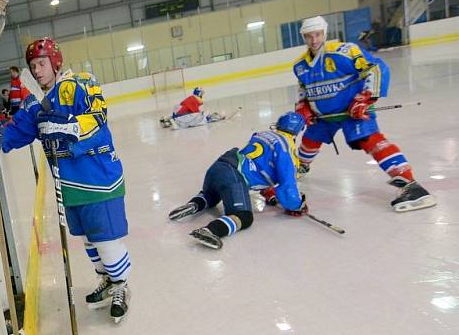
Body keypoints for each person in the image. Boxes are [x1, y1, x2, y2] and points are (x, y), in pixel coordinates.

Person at [2, 37, 132, 324]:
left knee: (106, 241)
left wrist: (67, 127)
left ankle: (121, 284)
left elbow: (98, 119)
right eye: (32, 66)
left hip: (99, 178)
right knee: (88, 241)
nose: (36, 70)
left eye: (41, 63)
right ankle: (107, 280)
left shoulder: (82, 83)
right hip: (69, 186)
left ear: (56, 61)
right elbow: (16, 131)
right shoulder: (34, 103)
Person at [293, 16, 435, 212]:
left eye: (317, 34)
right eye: (309, 36)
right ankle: (301, 166)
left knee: (371, 141)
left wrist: (365, 98)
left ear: (324, 34)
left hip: (352, 112)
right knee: (310, 138)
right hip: (324, 116)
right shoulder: (299, 65)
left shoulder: (344, 51)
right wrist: (303, 106)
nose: (314, 40)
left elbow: (376, 69)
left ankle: (413, 186)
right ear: (304, 38)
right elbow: (303, 87)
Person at [168, 112, 308, 249]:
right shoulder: (286, 147)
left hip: (219, 166)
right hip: (233, 175)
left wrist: (268, 193)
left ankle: (196, 204)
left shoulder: (262, 134)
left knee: (212, 195)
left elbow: (261, 167)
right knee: (244, 216)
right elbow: (287, 186)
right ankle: (211, 230)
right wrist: (297, 205)